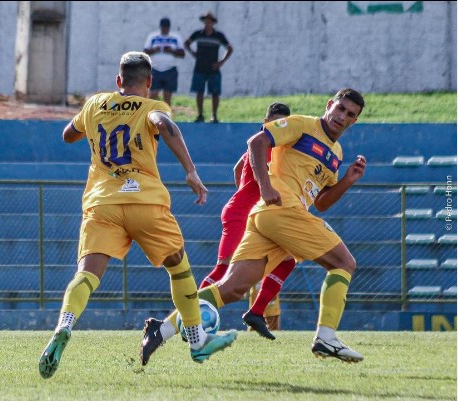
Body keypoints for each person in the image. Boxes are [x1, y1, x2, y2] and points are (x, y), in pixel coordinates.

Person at [38, 51, 238, 379]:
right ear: (149, 83)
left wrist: (95, 125)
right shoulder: (152, 107)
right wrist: (190, 170)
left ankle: (64, 325)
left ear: (119, 81)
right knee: (178, 267)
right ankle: (197, 339)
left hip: (102, 203)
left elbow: (67, 135)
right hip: (144, 201)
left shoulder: (94, 104)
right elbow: (164, 124)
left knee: (87, 274)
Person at [141, 88, 367, 364]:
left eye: (350, 114)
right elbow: (257, 142)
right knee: (344, 262)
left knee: (232, 288)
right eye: (340, 108)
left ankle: (160, 330)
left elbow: (321, 203)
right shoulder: (301, 124)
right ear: (330, 105)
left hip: (274, 219)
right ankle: (326, 337)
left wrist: (347, 180)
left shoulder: (336, 153)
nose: (342, 116)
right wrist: (265, 184)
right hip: (281, 208)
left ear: (353, 121)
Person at [198, 103, 295, 340]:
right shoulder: (267, 149)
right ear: (265, 123)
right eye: (272, 123)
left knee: (288, 259)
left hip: (259, 216)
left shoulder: (273, 150)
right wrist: (244, 198)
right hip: (242, 214)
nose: (275, 128)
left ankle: (256, 312)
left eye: (281, 125)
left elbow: (237, 168)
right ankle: (191, 317)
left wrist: (243, 190)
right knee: (224, 270)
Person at [184, 11, 233, 124]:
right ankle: (200, 115)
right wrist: (193, 53)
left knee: (215, 93)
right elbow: (186, 43)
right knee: (199, 92)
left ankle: (214, 115)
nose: (207, 23)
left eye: (209, 21)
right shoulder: (198, 34)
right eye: (206, 21)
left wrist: (221, 62)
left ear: (213, 23)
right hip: (200, 67)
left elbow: (229, 48)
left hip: (213, 67)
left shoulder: (219, 36)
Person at [143, 17, 185, 106]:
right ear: (160, 27)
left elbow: (182, 54)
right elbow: (145, 51)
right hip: (155, 68)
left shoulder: (175, 37)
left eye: (166, 27)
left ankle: (166, 116)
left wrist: (172, 51)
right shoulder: (153, 36)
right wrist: (155, 50)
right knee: (153, 94)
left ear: (169, 27)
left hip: (170, 69)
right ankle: (148, 115)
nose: (165, 29)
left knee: (167, 96)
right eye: (163, 27)